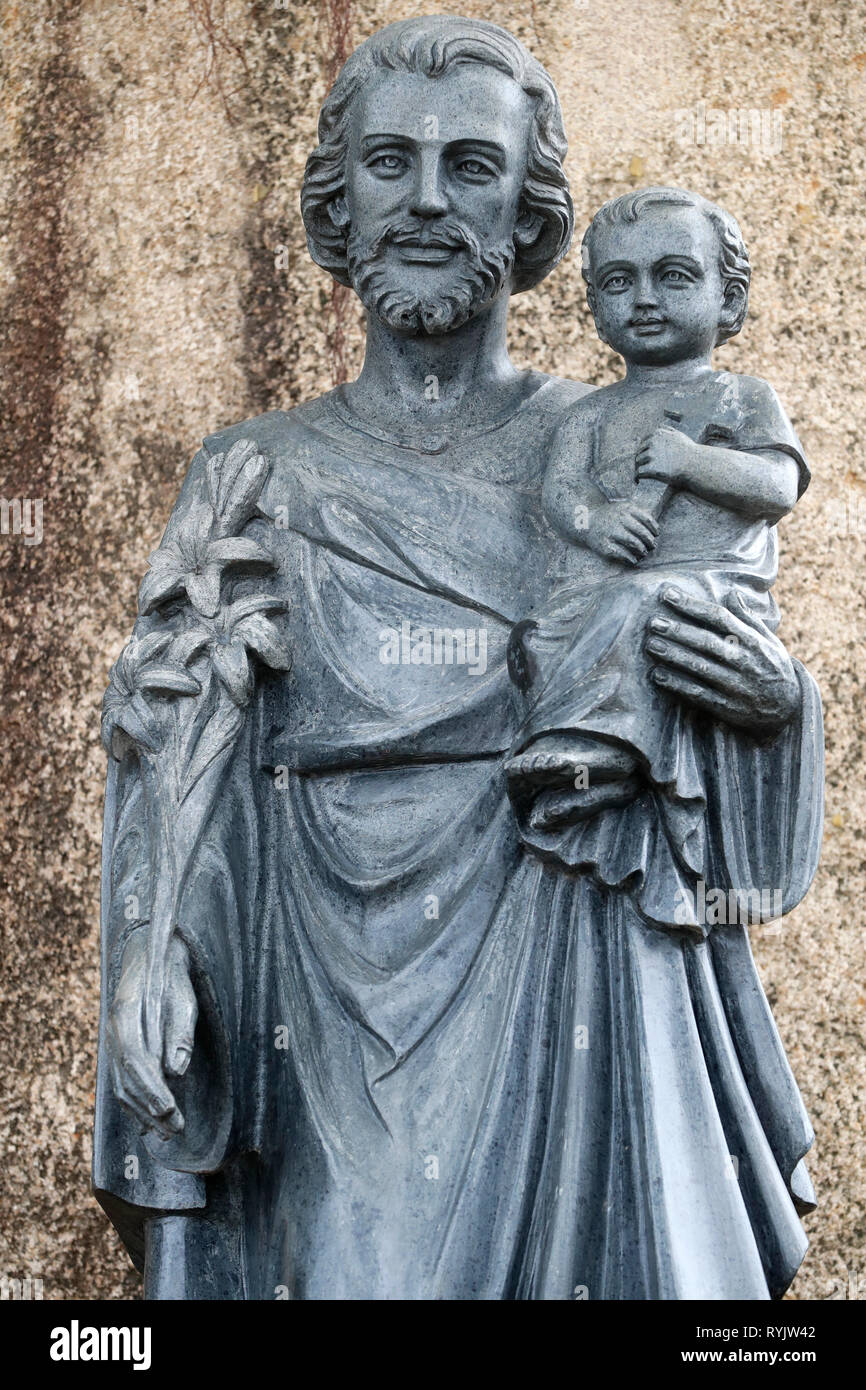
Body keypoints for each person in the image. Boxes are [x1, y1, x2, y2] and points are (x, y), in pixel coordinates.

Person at [94, 17, 823, 1300]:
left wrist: (771, 712)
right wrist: (153, 957)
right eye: (389, 163)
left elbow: (721, 639)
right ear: (339, 200)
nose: (426, 200)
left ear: (530, 213)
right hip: (315, 984)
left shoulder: (604, 436)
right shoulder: (258, 469)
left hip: (571, 941)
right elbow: (174, 734)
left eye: (470, 167)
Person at [506, 188, 810, 930]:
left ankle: (605, 753)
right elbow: (559, 496)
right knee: (551, 631)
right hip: (621, 583)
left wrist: (691, 461)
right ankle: (577, 757)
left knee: (643, 610)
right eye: (618, 282)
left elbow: (776, 484)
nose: (644, 299)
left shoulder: (740, 397)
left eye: (674, 277)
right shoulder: (591, 414)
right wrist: (600, 523)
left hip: (713, 590)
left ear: (728, 297)